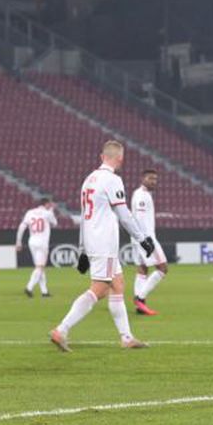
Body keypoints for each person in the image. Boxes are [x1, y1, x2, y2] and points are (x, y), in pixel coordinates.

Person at [49, 140, 156, 352]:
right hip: (104, 242)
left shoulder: (88, 179)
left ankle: (126, 337)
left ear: (101, 157)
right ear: (120, 159)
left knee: (118, 285)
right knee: (99, 289)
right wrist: (143, 238)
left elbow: (84, 216)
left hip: (92, 240)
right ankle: (61, 329)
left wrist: (82, 250)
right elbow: (124, 214)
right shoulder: (113, 180)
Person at [131, 169, 168, 316]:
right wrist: (146, 240)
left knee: (142, 269)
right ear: (143, 178)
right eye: (150, 178)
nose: (154, 181)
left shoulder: (141, 194)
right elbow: (140, 218)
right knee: (163, 268)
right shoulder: (141, 195)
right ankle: (140, 298)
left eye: (155, 179)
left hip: (137, 237)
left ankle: (141, 305)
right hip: (146, 239)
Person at [16, 197, 58, 297]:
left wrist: (18, 242)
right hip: (42, 242)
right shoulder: (47, 213)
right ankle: (29, 287)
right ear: (47, 204)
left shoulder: (30, 212)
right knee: (40, 267)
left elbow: (22, 227)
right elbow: (55, 224)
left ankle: (44, 292)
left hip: (32, 241)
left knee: (39, 267)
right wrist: (52, 210)